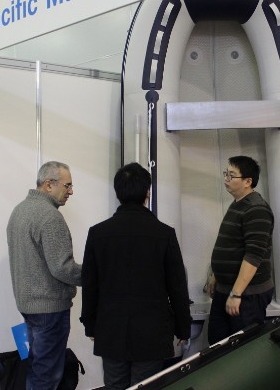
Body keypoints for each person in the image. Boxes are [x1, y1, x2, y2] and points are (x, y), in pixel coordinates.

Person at [80, 162, 191, 390]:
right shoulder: (164, 234)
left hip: (111, 327)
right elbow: (177, 286)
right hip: (152, 330)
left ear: (117, 193)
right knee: (146, 385)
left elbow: (90, 283)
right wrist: (183, 327)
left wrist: (90, 324)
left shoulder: (98, 233)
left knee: (115, 385)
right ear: (147, 193)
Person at [7, 161, 82, 390]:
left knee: (36, 369)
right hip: (50, 310)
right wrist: (95, 275)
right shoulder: (50, 217)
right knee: (46, 377)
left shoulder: (19, 211)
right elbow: (62, 268)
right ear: (49, 184)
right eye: (67, 185)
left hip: (29, 307)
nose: (71, 191)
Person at [206, 156, 274, 345]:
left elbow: (253, 256)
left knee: (243, 348)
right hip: (226, 290)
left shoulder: (256, 209)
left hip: (247, 295)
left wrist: (236, 294)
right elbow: (231, 246)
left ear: (247, 181)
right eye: (225, 174)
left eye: (232, 175)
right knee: (217, 345)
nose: (226, 179)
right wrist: (216, 276)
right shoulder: (238, 204)